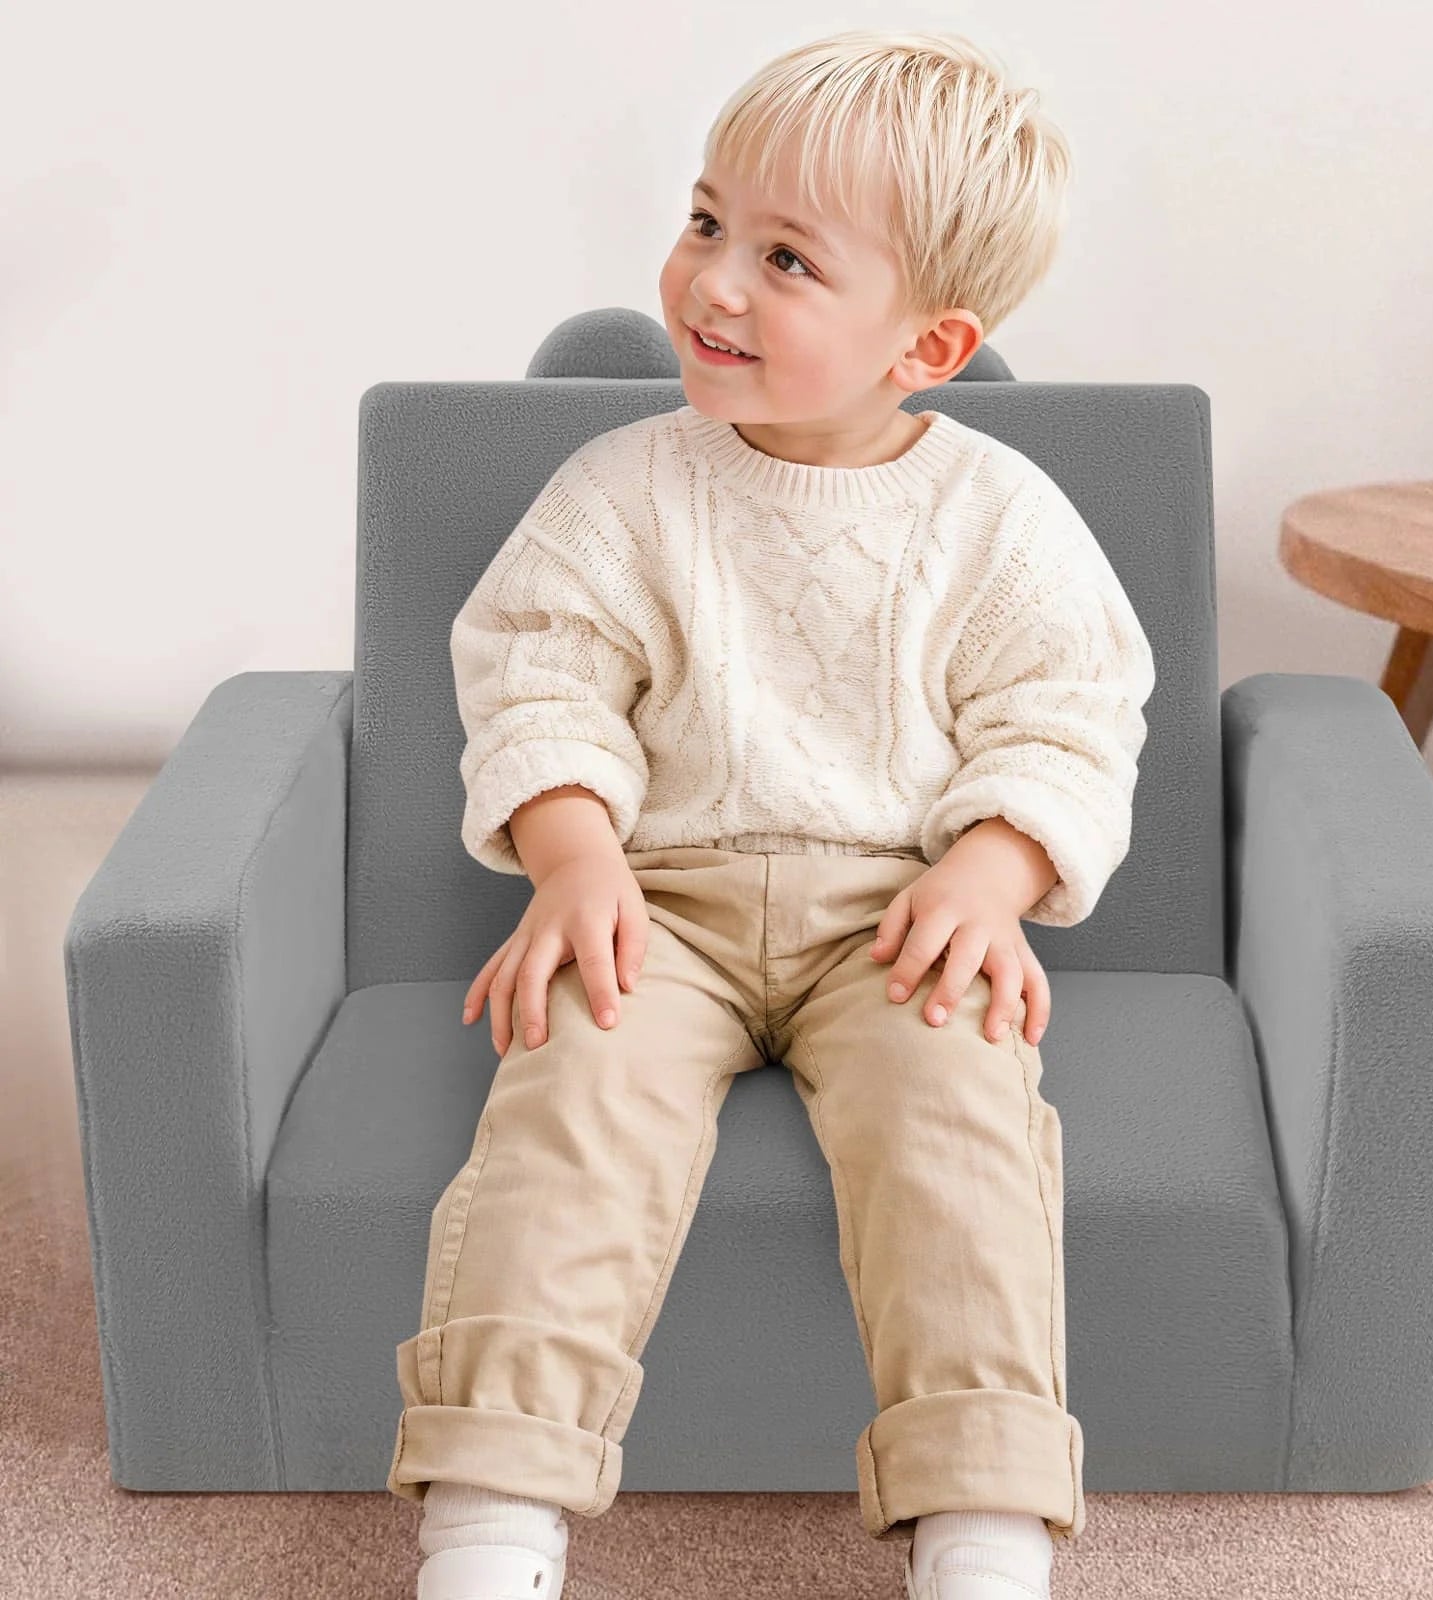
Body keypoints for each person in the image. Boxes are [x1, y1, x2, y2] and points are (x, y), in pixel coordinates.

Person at [388, 27, 1155, 1600]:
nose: (714, 282)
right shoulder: (620, 488)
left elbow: (1071, 718)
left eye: (787, 259)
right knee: (568, 1117)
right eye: (706, 221)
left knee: (959, 1134)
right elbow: (538, 682)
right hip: (654, 905)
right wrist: (572, 857)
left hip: (896, 918)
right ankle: (491, 1516)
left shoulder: (1000, 518)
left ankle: (985, 1524)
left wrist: (991, 873)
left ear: (927, 346)